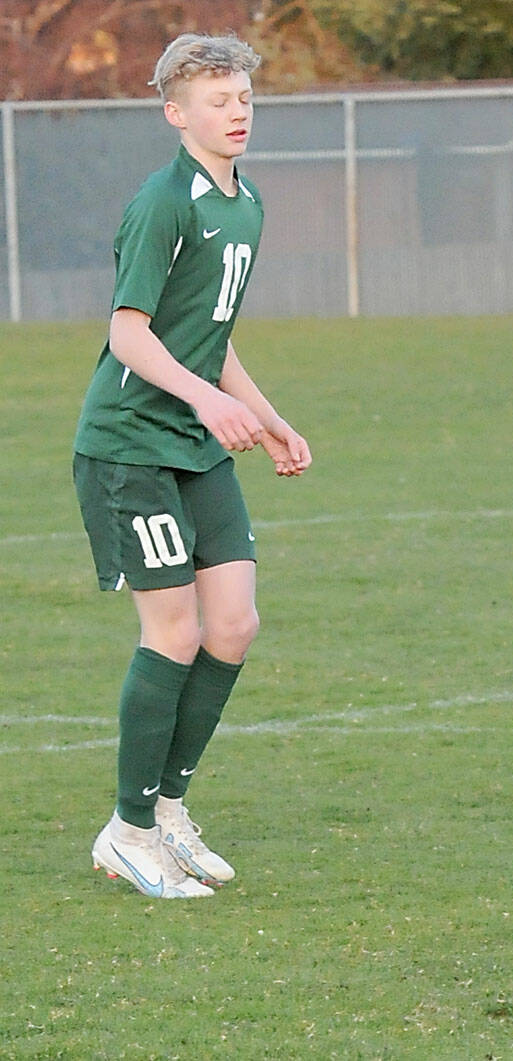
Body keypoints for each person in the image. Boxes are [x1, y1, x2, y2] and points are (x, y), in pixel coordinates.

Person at [73, 33, 311, 899]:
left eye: (244, 97)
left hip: (193, 443)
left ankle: (168, 810)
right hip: (131, 442)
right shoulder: (163, 203)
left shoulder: (247, 203)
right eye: (218, 100)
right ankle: (129, 830)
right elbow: (128, 333)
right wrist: (208, 401)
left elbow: (212, 333)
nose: (237, 112)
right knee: (172, 631)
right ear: (177, 114)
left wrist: (267, 417)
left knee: (234, 624)